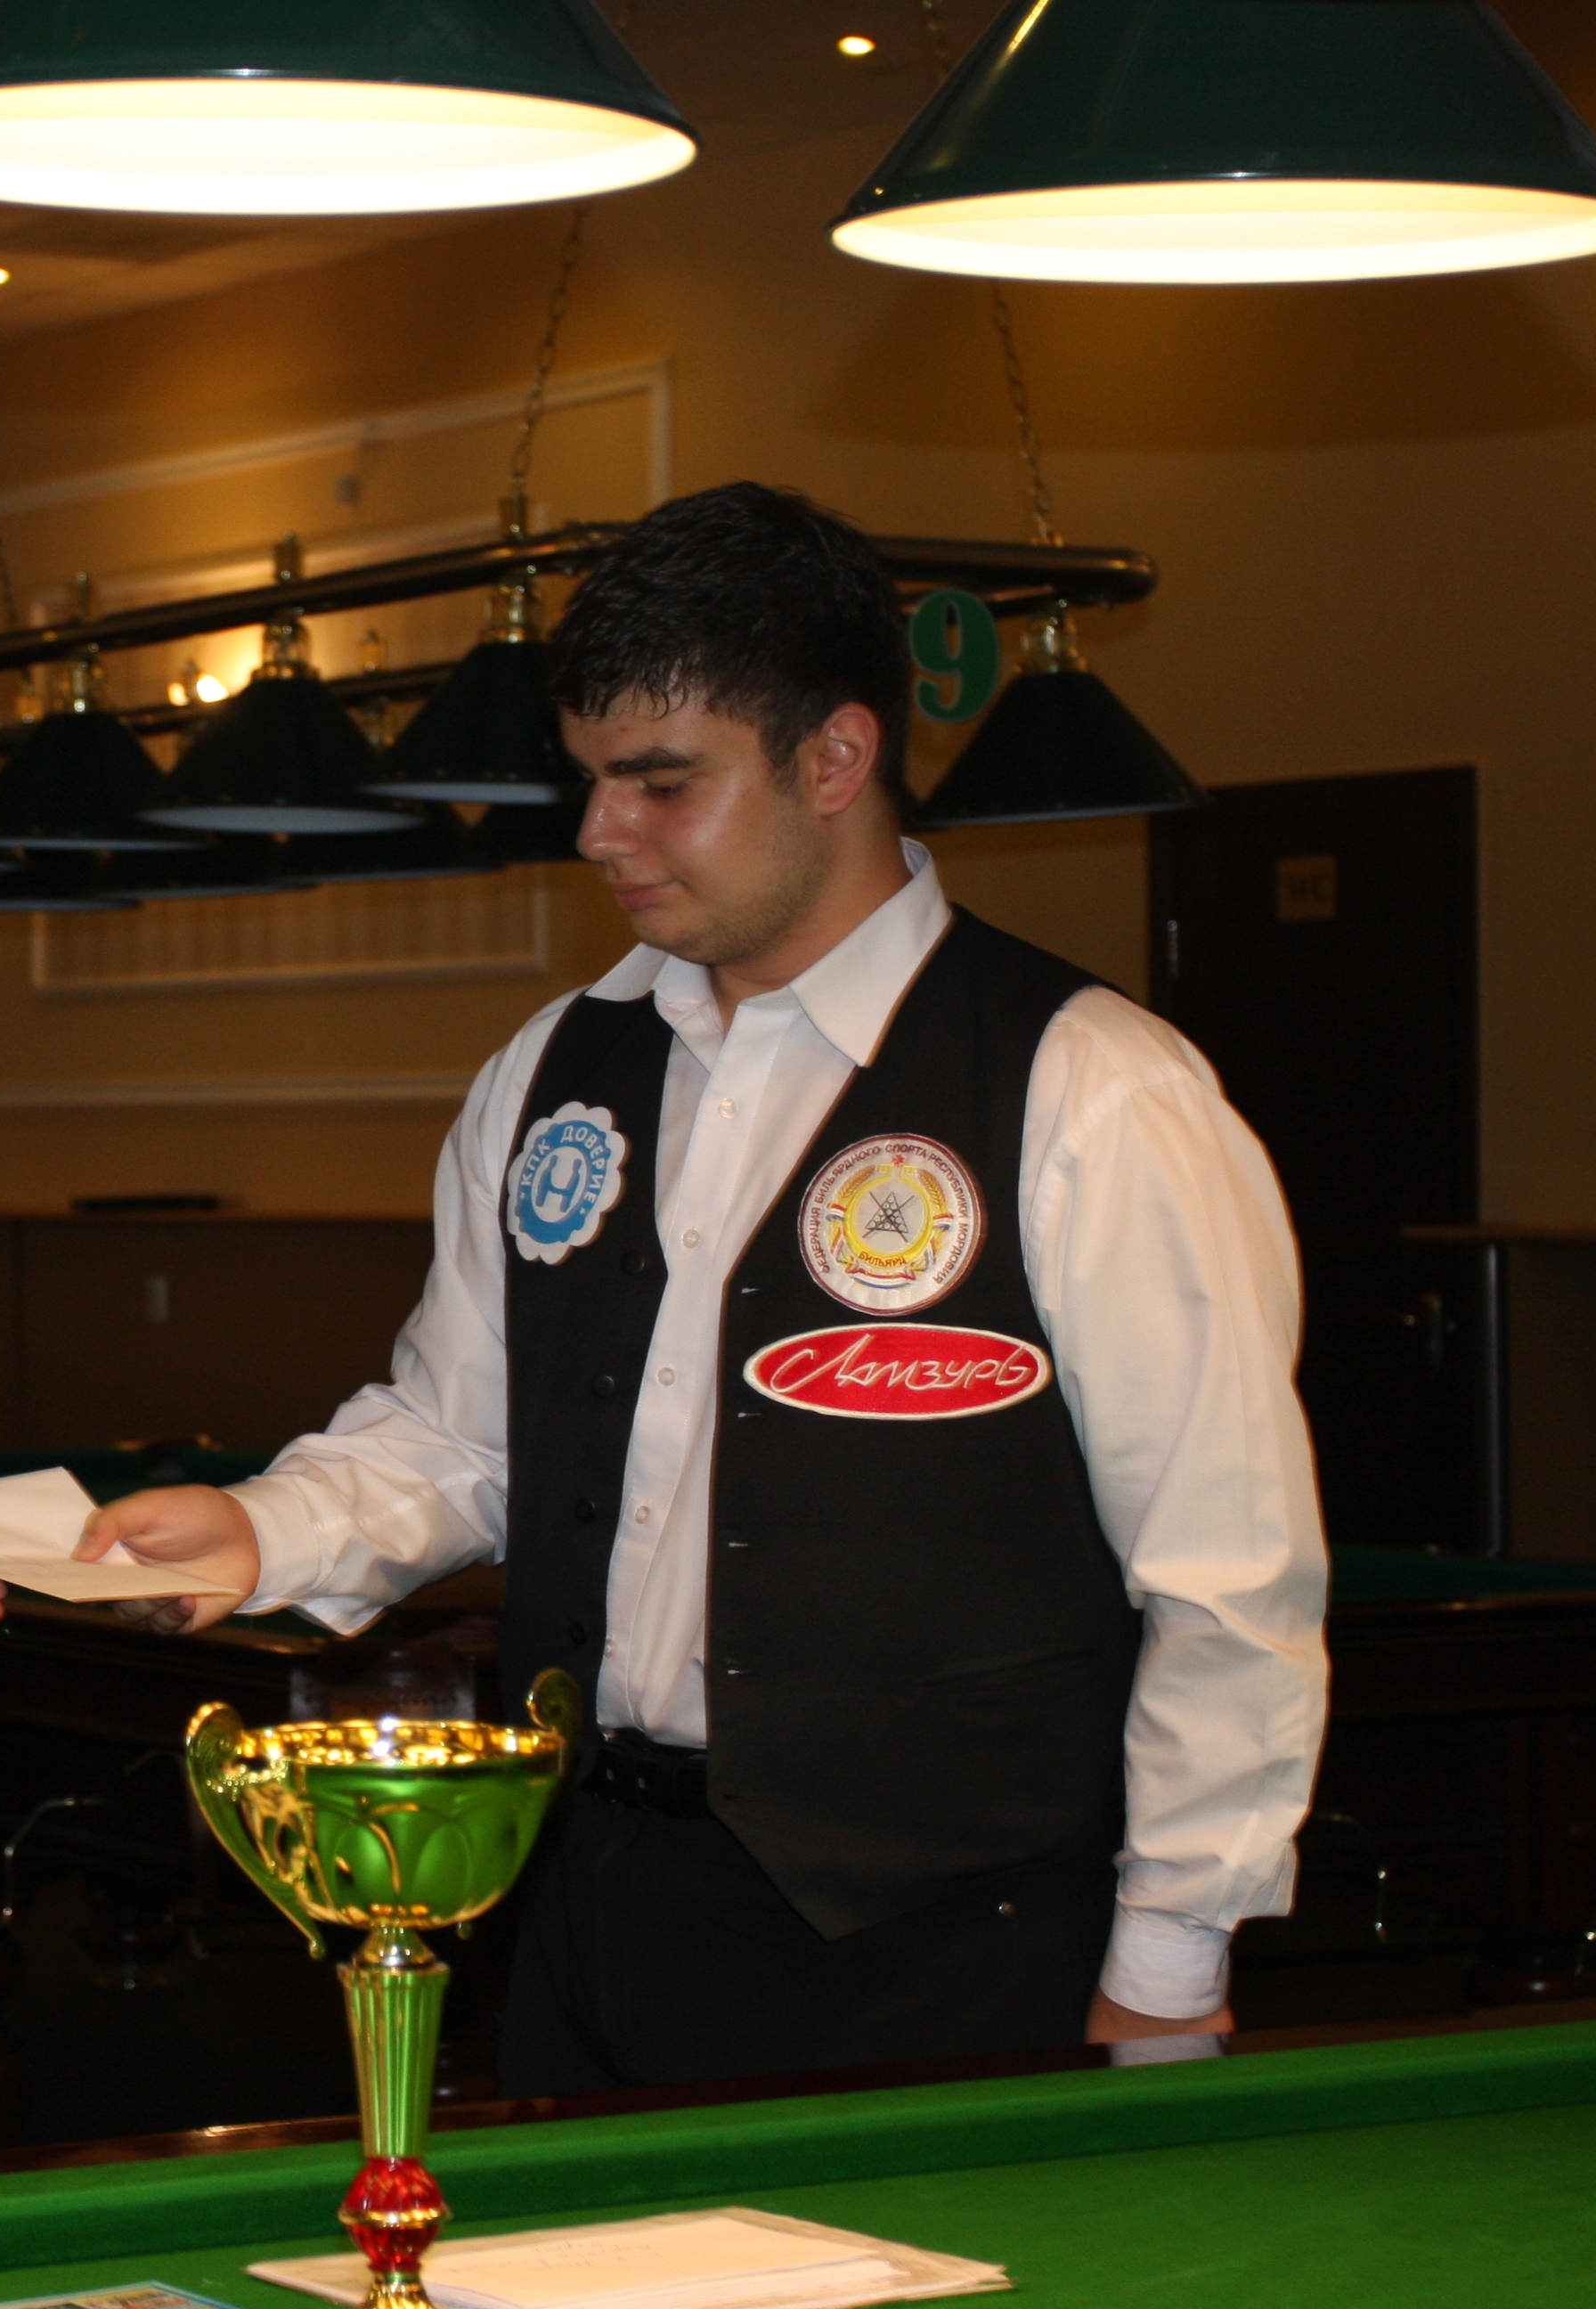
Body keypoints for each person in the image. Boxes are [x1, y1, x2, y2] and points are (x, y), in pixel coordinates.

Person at [84, 484, 1330, 2091]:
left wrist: (1169, 1959)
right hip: (584, 1892)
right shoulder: (553, 1067)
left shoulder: (1094, 1087)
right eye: (589, 779)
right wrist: (262, 1528)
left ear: (835, 757)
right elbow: (461, 1437)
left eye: (660, 783)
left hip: (943, 1940)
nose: (600, 833)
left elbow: (1228, 1579)